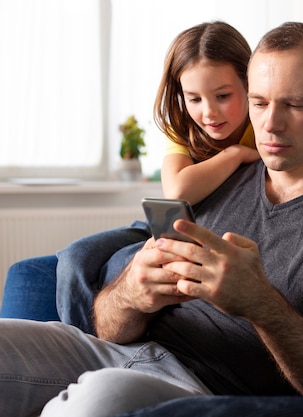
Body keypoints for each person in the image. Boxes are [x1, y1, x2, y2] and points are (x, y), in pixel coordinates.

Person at [0, 22, 303, 417]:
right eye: (260, 103)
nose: (270, 124)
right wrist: (131, 293)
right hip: (111, 352)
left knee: (100, 398)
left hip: (203, 387)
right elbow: (109, 329)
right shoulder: (217, 176)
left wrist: (261, 305)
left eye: (295, 105)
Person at [53, 21, 260, 334]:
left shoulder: (260, 127)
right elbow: (176, 191)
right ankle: (82, 350)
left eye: (222, 96)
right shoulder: (184, 129)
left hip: (208, 233)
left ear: (248, 83)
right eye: (194, 99)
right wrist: (234, 155)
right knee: (73, 257)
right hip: (161, 227)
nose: (209, 113)